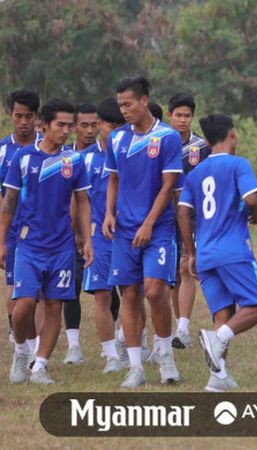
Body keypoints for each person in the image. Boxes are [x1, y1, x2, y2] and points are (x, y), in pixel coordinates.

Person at [178, 114, 257, 392]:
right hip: (233, 251)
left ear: (205, 141)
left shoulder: (195, 174)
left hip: (205, 254)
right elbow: (251, 199)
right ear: (233, 133)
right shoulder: (238, 164)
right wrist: (255, 213)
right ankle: (217, 338)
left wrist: (191, 252)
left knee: (224, 312)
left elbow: (183, 213)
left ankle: (218, 377)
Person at [3, 98, 93, 384]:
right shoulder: (24, 158)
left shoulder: (74, 160)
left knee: (55, 306)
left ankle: (40, 365)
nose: (66, 131)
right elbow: (9, 203)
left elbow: (82, 201)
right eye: (61, 125)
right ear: (45, 125)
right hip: (28, 245)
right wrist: (2, 241)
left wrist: (87, 239)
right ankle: (20, 351)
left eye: (70, 125)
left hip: (62, 247)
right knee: (24, 305)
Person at [102, 76, 181, 388]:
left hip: (158, 229)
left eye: (128, 104)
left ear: (144, 100)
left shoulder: (167, 137)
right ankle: (135, 366)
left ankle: (165, 354)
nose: (124, 110)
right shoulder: (118, 139)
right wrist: (109, 213)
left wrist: (149, 222)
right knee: (130, 294)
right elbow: (113, 179)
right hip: (123, 230)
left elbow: (169, 184)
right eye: (120, 104)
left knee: (154, 291)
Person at [82, 98, 126, 373]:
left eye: (123, 125)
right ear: (100, 126)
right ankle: (111, 355)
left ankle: (139, 343)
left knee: (134, 293)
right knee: (102, 295)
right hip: (99, 236)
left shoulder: (132, 153)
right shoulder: (85, 159)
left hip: (130, 235)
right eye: (113, 126)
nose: (118, 132)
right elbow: (78, 200)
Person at [168, 92, 212, 349]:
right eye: (178, 115)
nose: (183, 120)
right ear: (169, 116)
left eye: (187, 116)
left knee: (187, 268)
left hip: (192, 218)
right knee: (172, 273)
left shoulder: (201, 147)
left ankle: (183, 328)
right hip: (164, 217)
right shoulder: (160, 142)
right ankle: (177, 324)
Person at [60, 102, 100, 365]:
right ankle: (73, 346)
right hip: (68, 235)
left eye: (94, 125)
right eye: (83, 125)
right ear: (74, 127)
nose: (89, 130)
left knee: (107, 291)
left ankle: (118, 339)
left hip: (102, 235)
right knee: (69, 289)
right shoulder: (62, 157)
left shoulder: (108, 155)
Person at [1, 89, 41, 347]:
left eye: (28, 116)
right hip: (14, 230)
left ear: (37, 116)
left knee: (43, 293)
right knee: (14, 285)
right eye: (19, 116)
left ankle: (37, 344)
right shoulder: (3, 151)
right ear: (9, 115)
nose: (24, 121)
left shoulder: (49, 147)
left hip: (44, 230)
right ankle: (16, 331)